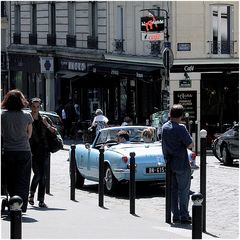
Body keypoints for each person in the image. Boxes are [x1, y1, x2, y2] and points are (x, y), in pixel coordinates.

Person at [1, 89, 33, 213]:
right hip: (24, 150)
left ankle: (12, 203)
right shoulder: (27, 115)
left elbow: (2, 133)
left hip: (9, 151)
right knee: (23, 180)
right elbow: (29, 134)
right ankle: (21, 206)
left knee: (11, 179)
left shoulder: (3, 116)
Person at [161, 104, 194, 224]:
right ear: (181, 115)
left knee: (173, 190)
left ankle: (175, 215)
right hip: (181, 162)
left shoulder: (164, 127)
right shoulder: (181, 128)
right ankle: (184, 215)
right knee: (184, 191)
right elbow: (190, 144)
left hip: (170, 163)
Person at [28, 97, 57, 208]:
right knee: (38, 174)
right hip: (32, 151)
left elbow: (54, 132)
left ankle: (41, 200)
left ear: (40, 107)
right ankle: (31, 195)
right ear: (30, 106)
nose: (35, 109)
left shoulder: (44, 118)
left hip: (44, 150)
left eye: (37, 106)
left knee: (43, 176)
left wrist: (47, 125)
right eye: (33, 106)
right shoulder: (28, 118)